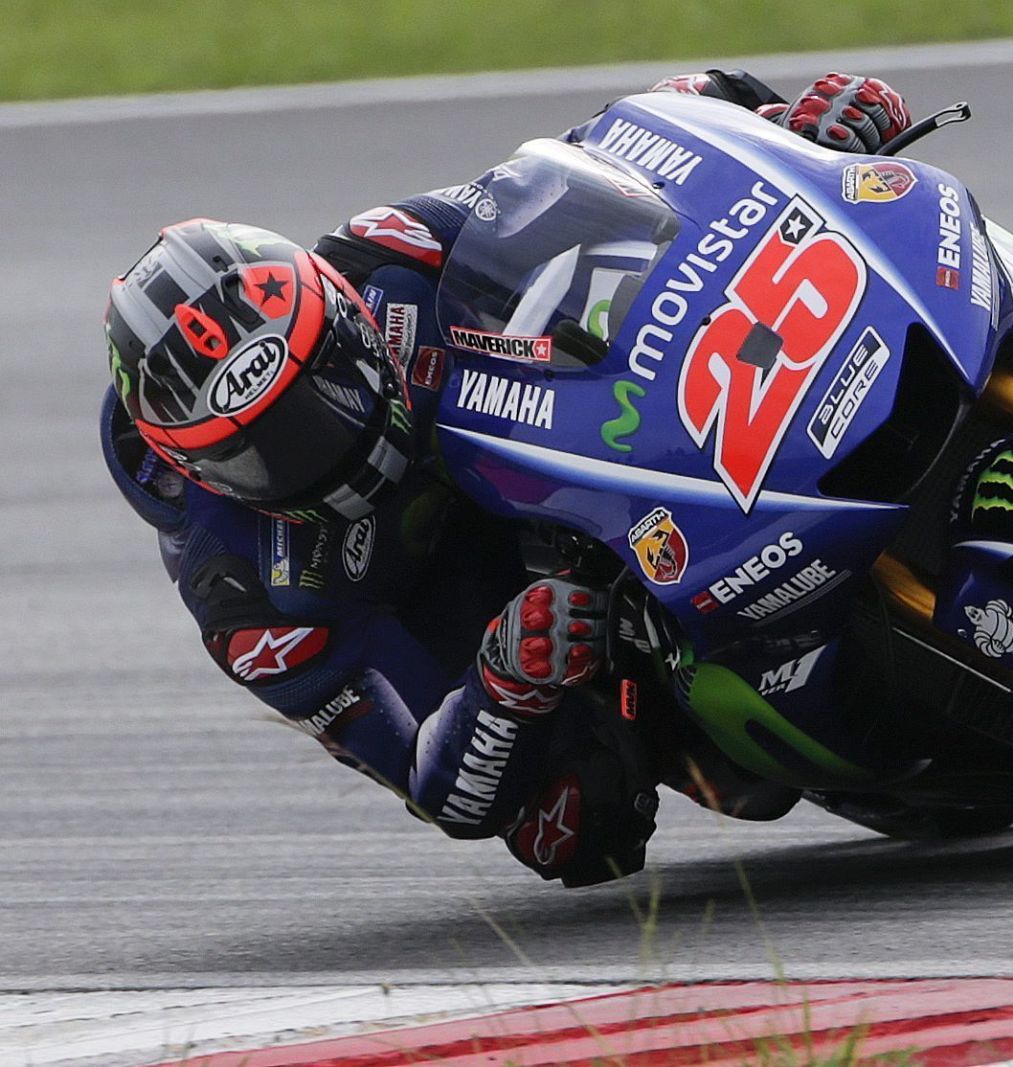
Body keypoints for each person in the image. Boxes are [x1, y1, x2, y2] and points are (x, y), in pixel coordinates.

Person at [100, 71, 915, 887]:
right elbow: (433, 784)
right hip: (489, 613)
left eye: (329, 379)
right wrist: (504, 682)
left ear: (336, 305)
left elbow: (602, 160)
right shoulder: (241, 592)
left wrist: (784, 129)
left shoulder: (384, 251)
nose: (330, 433)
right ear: (198, 468)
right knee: (574, 821)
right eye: (268, 448)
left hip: (582, 439)